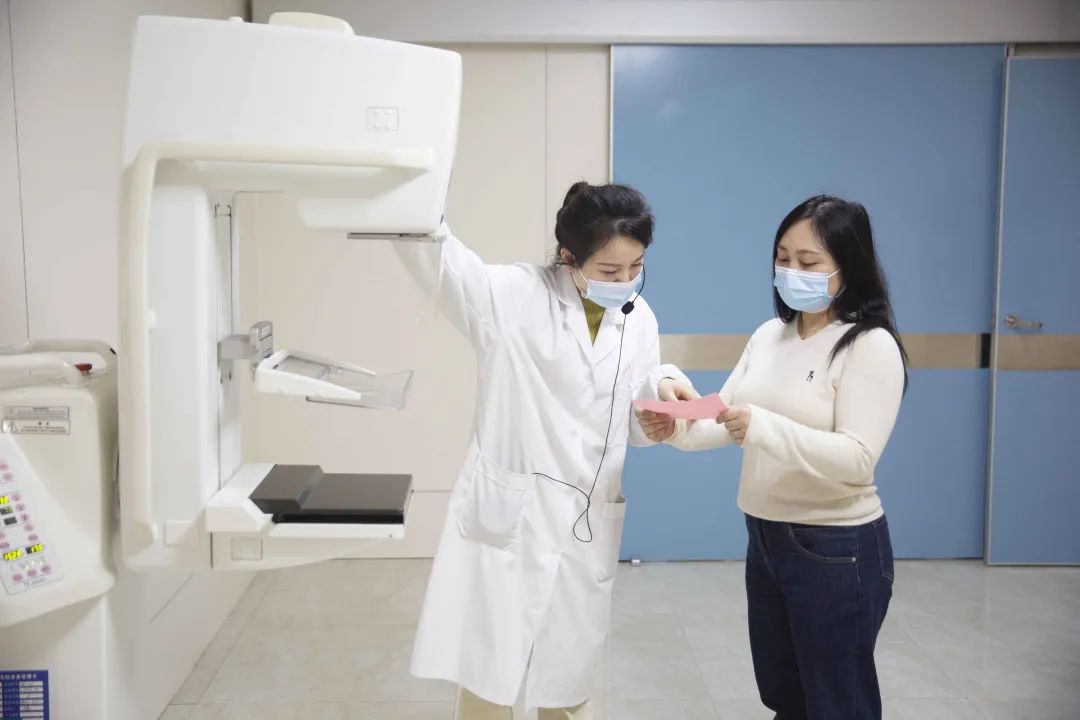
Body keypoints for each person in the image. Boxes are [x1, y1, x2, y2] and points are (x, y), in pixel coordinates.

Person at [400, 182, 691, 719]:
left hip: (586, 517)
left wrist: (656, 415)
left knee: (566, 679)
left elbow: (633, 416)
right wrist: (410, 186)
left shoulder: (640, 318)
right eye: (609, 270)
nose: (625, 282)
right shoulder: (510, 296)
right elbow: (436, 257)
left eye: (636, 267)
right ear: (569, 256)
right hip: (513, 513)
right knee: (488, 675)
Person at [638, 195, 907, 720]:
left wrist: (764, 428)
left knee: (837, 702)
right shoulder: (769, 335)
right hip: (766, 538)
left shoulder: (869, 345)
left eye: (808, 262)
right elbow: (725, 414)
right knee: (786, 696)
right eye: (783, 258)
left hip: (836, 546)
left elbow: (857, 459)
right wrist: (675, 424)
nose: (791, 271)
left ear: (848, 266)